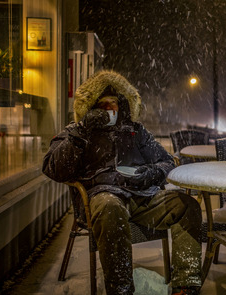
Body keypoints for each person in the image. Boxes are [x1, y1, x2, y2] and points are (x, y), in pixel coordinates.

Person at [43, 70, 202, 295]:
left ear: (122, 105)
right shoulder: (78, 132)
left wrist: (152, 172)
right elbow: (53, 169)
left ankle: (185, 285)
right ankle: (121, 289)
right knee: (110, 206)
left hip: (142, 197)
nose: (110, 109)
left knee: (188, 205)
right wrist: (82, 131)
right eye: (102, 104)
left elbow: (167, 162)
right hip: (103, 198)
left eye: (114, 103)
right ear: (92, 108)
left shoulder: (135, 132)